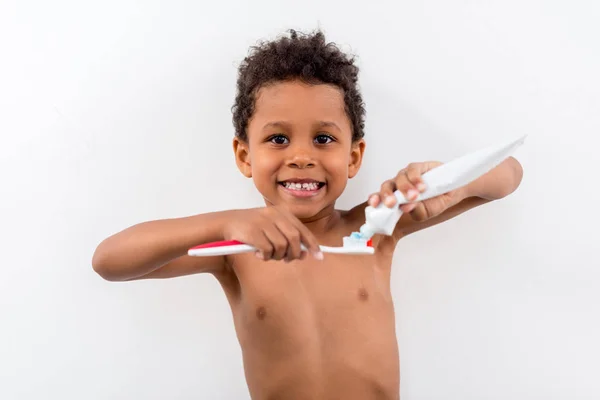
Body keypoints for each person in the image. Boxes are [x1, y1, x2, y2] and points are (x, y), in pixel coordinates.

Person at [92, 29, 523, 400]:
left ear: (354, 157)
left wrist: (446, 188)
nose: (301, 157)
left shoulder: (376, 226)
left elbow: (509, 175)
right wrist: (223, 223)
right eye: (278, 138)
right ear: (244, 155)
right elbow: (109, 260)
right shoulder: (235, 250)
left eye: (323, 138)